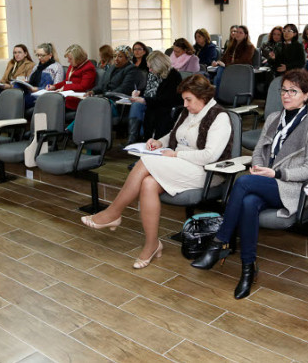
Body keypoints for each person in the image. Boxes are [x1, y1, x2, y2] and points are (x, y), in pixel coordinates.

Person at [191, 69, 308, 298]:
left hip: (292, 187)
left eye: (293, 91)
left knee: (244, 183)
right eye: (283, 90)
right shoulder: (273, 118)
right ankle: (248, 269)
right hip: (265, 181)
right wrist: (258, 167)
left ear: (306, 95)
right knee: (249, 202)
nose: (286, 95)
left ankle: (220, 242)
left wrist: (276, 173)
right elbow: (257, 152)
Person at [80, 75, 232, 269]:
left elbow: (210, 156)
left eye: (188, 100)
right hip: (182, 165)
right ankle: (152, 244)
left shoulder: (219, 117)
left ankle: (113, 212)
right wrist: (160, 142)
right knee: (148, 183)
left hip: (207, 172)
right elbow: (174, 135)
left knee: (145, 162)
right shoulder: (189, 112)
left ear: (203, 97)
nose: (185, 105)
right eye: (184, 100)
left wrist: (176, 154)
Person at [127, 51, 182, 144]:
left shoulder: (173, 76)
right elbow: (149, 91)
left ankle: (139, 138)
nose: (149, 70)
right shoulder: (154, 74)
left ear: (159, 65)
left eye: (151, 68)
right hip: (154, 103)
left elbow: (166, 99)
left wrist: (145, 100)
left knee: (146, 109)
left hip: (166, 106)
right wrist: (139, 92)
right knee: (137, 105)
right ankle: (134, 138)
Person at [0, 44, 34, 113]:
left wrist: (10, 86)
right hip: (7, 87)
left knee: (11, 90)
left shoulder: (30, 65)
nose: (17, 55)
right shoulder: (11, 63)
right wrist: (0, 82)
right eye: (15, 53)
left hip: (18, 88)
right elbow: (5, 79)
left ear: (25, 54)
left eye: (19, 52)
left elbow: (28, 82)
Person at [51, 44, 97, 111]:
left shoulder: (88, 68)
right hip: (68, 99)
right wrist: (54, 86)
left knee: (53, 109)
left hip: (78, 101)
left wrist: (65, 87)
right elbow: (67, 82)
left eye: (70, 59)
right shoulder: (72, 65)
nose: (68, 61)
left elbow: (83, 87)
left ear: (78, 58)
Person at [18, 43, 64, 110]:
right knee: (16, 88)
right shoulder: (37, 66)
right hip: (31, 92)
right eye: (38, 55)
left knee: (17, 101)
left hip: (43, 96)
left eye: (42, 55)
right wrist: (26, 82)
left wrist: (38, 89)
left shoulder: (57, 67)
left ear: (50, 55)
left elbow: (56, 87)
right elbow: (30, 81)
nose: (39, 58)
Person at [214, 24, 256, 89]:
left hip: (241, 70)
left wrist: (226, 65)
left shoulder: (250, 47)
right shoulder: (231, 46)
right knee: (217, 76)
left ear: (245, 35)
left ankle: (218, 94)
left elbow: (243, 61)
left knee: (219, 75)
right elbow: (224, 58)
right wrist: (217, 63)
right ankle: (218, 94)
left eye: (240, 33)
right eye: (237, 32)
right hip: (229, 69)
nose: (237, 34)